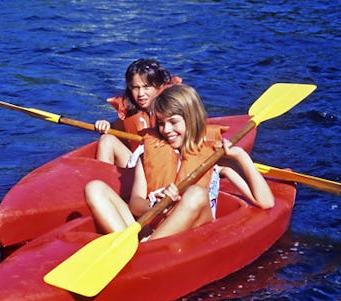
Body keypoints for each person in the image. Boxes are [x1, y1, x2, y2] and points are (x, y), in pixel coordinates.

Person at [85, 84, 274, 241]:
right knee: (94, 187)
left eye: (173, 122)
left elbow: (266, 202)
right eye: (160, 123)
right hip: (153, 229)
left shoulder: (215, 158)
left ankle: (146, 248)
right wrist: (155, 206)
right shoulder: (149, 155)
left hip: (194, 232)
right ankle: (132, 246)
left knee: (196, 193)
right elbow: (135, 204)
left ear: (191, 119)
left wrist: (241, 156)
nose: (166, 129)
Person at [94, 59, 181, 167]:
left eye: (146, 87)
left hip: (167, 165)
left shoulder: (174, 109)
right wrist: (105, 126)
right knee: (106, 140)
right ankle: (103, 181)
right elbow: (113, 129)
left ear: (159, 86)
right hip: (138, 166)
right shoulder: (132, 112)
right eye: (135, 88)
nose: (141, 94)